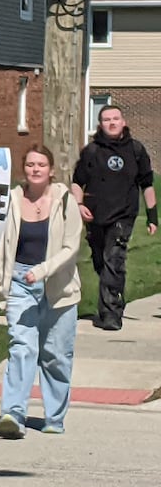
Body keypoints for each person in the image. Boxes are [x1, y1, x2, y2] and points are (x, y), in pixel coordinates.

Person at [0, 145, 82, 439]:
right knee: (21, 348)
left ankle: (54, 416)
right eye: (30, 164)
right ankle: (13, 413)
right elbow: (0, 248)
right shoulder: (11, 201)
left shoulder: (65, 201)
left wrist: (43, 270)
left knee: (56, 355)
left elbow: (71, 247)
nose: (35, 169)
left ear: (51, 170)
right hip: (19, 283)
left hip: (59, 288)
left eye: (41, 165)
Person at [71, 105, 157, 331]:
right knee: (101, 263)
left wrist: (152, 217)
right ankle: (114, 298)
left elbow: (147, 185)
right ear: (100, 125)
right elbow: (77, 182)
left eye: (115, 119)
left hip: (123, 215)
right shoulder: (91, 151)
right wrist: (79, 205)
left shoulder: (136, 150)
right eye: (107, 119)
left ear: (123, 121)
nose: (112, 123)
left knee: (114, 260)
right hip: (95, 217)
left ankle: (111, 314)